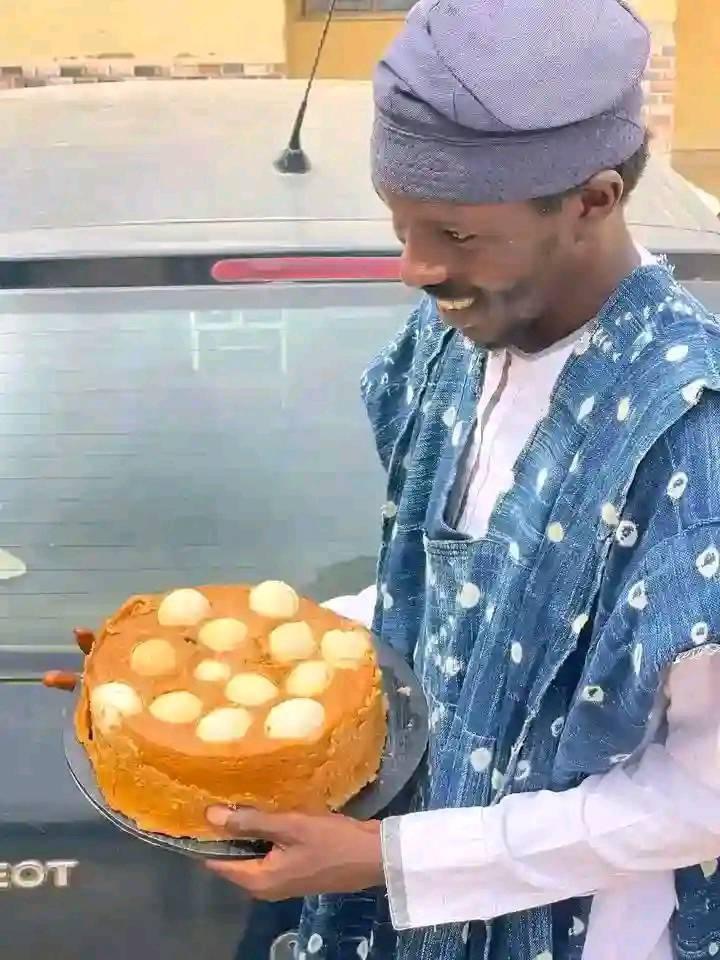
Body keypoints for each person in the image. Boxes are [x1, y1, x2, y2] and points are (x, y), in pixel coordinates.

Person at [204, 1, 720, 957]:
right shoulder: (456, 346)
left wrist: (390, 860)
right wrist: (229, 664)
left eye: (454, 232)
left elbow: (703, 796)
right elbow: (440, 604)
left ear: (594, 200)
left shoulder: (692, 432)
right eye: (400, 223)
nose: (416, 267)